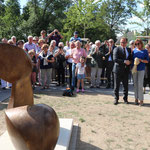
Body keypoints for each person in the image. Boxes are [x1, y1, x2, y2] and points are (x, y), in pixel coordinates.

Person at [113, 37, 132, 105]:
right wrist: (124, 61)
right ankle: (116, 98)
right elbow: (115, 59)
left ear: (126, 43)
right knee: (116, 85)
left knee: (125, 86)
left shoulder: (129, 49)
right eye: (121, 42)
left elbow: (130, 58)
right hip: (117, 70)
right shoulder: (116, 49)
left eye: (123, 42)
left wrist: (129, 62)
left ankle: (125, 99)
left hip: (126, 70)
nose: (122, 43)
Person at [132, 39, 149, 106]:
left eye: (138, 44)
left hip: (141, 69)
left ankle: (141, 100)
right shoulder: (134, 51)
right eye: (136, 44)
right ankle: (136, 98)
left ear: (141, 44)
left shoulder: (145, 51)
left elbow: (147, 61)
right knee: (135, 85)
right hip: (134, 69)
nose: (137, 45)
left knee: (140, 85)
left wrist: (141, 60)